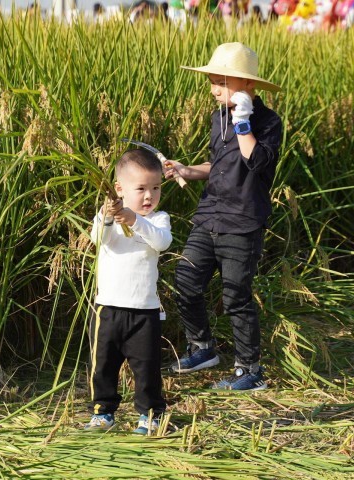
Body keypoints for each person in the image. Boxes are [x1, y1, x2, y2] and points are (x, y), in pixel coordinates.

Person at [164, 43, 282, 391]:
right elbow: (218, 165)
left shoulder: (269, 122)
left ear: (247, 86)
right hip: (210, 214)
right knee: (185, 279)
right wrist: (187, 168)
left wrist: (244, 123)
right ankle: (202, 348)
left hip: (243, 221)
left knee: (235, 296)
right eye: (212, 81)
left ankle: (250, 371)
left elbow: (257, 163)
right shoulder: (218, 118)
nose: (213, 89)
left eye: (221, 82)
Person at [85, 149, 172, 434]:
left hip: (144, 311)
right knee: (103, 366)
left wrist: (133, 219)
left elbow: (162, 242)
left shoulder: (158, 220)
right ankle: (103, 413)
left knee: (147, 369)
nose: (150, 196)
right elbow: (98, 240)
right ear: (119, 189)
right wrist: (110, 216)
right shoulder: (106, 216)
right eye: (141, 189)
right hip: (107, 308)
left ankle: (149, 416)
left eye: (156, 188)